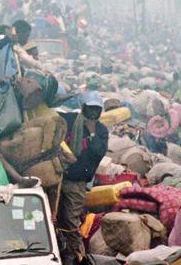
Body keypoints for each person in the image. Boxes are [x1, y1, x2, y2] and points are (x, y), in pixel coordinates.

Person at [57, 91, 108, 265]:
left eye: (96, 109)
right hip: (59, 176)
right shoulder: (70, 120)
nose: (93, 113)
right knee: (53, 215)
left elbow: (98, 153)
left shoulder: (101, 130)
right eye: (90, 108)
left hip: (77, 182)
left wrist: (92, 133)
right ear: (83, 107)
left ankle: (72, 255)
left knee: (72, 219)